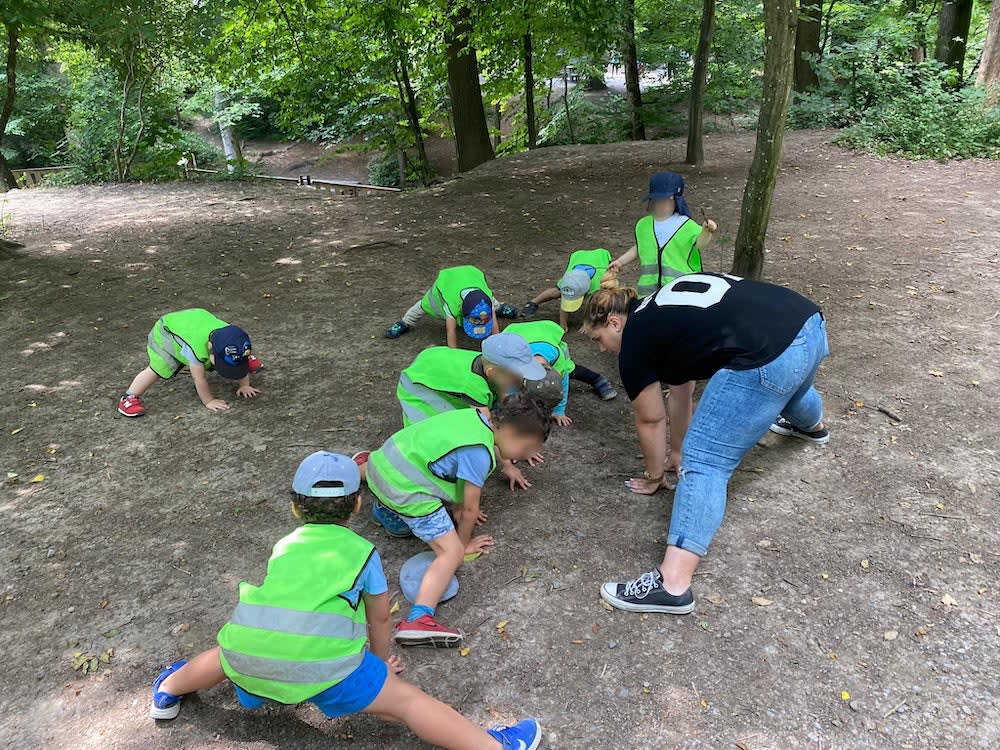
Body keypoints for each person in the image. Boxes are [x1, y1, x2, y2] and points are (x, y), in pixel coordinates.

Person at [148, 451, 542, 750]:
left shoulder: (284, 545)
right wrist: (382, 661)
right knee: (408, 705)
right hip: (326, 669)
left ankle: (169, 691)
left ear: (293, 506)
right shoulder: (362, 552)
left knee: (226, 652)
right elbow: (380, 620)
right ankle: (493, 745)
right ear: (357, 505)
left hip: (248, 655)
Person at [581, 272, 830, 615]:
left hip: (770, 355)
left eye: (598, 338)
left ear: (615, 322)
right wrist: (675, 452)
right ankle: (813, 426)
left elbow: (651, 419)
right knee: (791, 386)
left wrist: (655, 476)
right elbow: (681, 390)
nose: (601, 348)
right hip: (808, 324)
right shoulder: (661, 310)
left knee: (705, 461)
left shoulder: (635, 341)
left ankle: (672, 584)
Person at [356, 394, 552, 646]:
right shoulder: (479, 453)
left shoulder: (475, 415)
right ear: (510, 431)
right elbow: (468, 511)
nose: (524, 456)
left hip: (379, 466)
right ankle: (419, 618)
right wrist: (463, 544)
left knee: (415, 480)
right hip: (404, 492)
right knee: (451, 553)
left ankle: (383, 510)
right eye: (526, 449)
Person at [117, 308, 263, 417]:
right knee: (159, 368)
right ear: (211, 348)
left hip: (194, 321)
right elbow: (198, 378)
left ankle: (235, 358)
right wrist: (209, 401)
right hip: (166, 333)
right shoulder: (195, 348)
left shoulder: (231, 335)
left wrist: (245, 385)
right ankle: (129, 397)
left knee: (236, 355)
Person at [397, 332, 546, 427]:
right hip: (415, 383)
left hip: (432, 361)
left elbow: (504, 395)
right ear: (491, 373)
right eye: (515, 376)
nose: (519, 381)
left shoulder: (488, 361)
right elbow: (485, 427)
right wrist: (508, 461)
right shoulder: (474, 386)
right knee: (431, 430)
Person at [610, 172, 718, 298]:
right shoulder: (643, 225)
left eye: (665, 199)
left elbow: (700, 244)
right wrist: (620, 262)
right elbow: (640, 247)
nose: (660, 204)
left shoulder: (687, 225)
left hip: (680, 293)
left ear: (676, 200)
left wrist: (707, 231)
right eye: (656, 199)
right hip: (648, 294)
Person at [504, 320, 617, 426]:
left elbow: (564, 384)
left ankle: (597, 379)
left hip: (548, 333)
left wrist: (559, 411)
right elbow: (508, 384)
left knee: (570, 369)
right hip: (517, 332)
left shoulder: (558, 361)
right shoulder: (514, 362)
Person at [386, 265, 519, 348]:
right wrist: (453, 353)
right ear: (462, 311)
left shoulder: (486, 298)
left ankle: (499, 307)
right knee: (422, 306)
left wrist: (498, 342)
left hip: (472, 279)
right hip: (446, 285)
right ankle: (405, 322)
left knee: (492, 303)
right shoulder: (451, 303)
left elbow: (493, 321)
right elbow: (451, 330)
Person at [519, 248, 613, 330]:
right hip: (578, 259)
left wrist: (588, 322)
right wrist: (562, 324)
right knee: (556, 292)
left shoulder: (597, 284)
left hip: (600, 257)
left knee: (601, 299)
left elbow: (593, 306)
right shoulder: (568, 280)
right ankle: (533, 302)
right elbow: (564, 300)